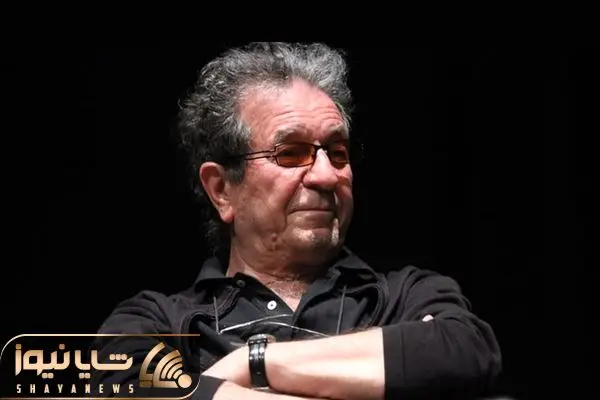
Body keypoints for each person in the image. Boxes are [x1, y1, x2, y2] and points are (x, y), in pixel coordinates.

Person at [91, 42, 502, 400]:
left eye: (337, 153)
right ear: (221, 189)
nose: (327, 175)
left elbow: (464, 352)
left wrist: (254, 363)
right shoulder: (160, 322)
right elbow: (124, 388)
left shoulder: (405, 296)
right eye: (290, 153)